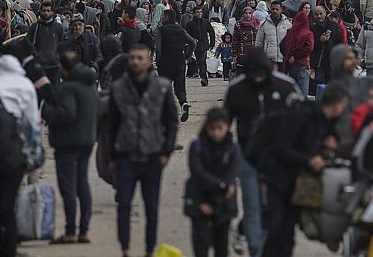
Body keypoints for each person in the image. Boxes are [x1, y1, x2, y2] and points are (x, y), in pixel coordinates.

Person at [224, 48, 301, 257]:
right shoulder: (237, 89)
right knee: (252, 206)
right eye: (253, 71)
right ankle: (256, 250)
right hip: (248, 156)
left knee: (279, 208)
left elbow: (301, 120)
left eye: (261, 71)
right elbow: (223, 124)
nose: (257, 76)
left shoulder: (285, 86)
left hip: (280, 158)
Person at [260, 83, 349, 257]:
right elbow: (281, 149)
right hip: (277, 179)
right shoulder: (304, 116)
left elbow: (330, 140)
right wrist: (309, 160)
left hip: (296, 183)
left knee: (287, 233)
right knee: (275, 229)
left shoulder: (325, 123)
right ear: (338, 103)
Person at [108, 44, 179, 257]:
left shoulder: (162, 87)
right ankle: (125, 249)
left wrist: (166, 151)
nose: (135, 62)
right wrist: (111, 156)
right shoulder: (118, 88)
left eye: (140, 58)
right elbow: (112, 125)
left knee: (152, 208)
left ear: (149, 62)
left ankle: (149, 249)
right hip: (125, 155)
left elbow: (171, 121)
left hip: (152, 155)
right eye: (132, 58)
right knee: (124, 205)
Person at [42, 50, 98, 245]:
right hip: (86, 141)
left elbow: (66, 113)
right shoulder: (90, 84)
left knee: (68, 188)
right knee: (82, 185)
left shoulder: (68, 88)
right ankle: (83, 230)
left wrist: (46, 111)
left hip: (68, 143)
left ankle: (70, 231)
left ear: (63, 67)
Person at [0, 51, 40, 257]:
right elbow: (33, 121)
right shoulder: (25, 85)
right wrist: (35, 152)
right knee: (10, 203)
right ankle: (10, 248)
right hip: (16, 153)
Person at [185, 108, 238, 257]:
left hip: (223, 205)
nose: (216, 133)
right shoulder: (197, 146)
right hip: (200, 203)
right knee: (201, 246)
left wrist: (215, 204)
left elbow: (230, 177)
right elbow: (197, 174)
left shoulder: (232, 149)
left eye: (220, 128)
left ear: (227, 127)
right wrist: (220, 187)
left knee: (221, 248)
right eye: (212, 128)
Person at [154, 10, 196, 122]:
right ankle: (184, 103)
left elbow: (158, 48)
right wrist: (187, 55)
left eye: (163, 16)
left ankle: (167, 113)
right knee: (180, 87)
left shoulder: (161, 30)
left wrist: (157, 62)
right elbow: (193, 42)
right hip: (180, 61)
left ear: (167, 17)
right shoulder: (181, 30)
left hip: (165, 62)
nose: (162, 17)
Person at [27, 0, 65, 83]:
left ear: (52, 12)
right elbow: (28, 45)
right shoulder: (35, 27)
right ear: (40, 11)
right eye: (44, 10)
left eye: (48, 10)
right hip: (39, 66)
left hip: (54, 66)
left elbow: (62, 46)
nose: (46, 13)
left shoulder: (58, 27)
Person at [282, 10, 315, 96]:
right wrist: (295, 55)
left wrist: (289, 56)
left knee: (291, 92)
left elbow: (282, 45)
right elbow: (309, 48)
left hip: (290, 65)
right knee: (302, 93)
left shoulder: (290, 32)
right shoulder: (308, 34)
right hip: (302, 65)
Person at [310, 6, 343, 86]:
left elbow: (339, 41)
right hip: (318, 60)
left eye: (321, 14)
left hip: (331, 59)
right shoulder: (312, 27)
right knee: (318, 83)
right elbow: (310, 44)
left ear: (325, 13)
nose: (319, 16)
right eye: (317, 14)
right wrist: (319, 40)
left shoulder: (333, 25)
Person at [186, 6, 216, 87]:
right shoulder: (190, 24)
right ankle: (203, 76)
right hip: (196, 46)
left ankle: (204, 78)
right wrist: (192, 41)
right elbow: (187, 35)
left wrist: (212, 43)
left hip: (205, 45)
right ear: (194, 14)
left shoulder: (205, 22)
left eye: (200, 12)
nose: (199, 14)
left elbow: (211, 32)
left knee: (202, 61)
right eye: (197, 12)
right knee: (200, 62)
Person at [255, 0, 291, 66]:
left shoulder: (287, 24)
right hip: (269, 59)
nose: (275, 11)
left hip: (283, 59)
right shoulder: (264, 24)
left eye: (277, 9)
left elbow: (291, 41)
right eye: (273, 9)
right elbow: (259, 42)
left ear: (281, 10)